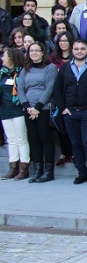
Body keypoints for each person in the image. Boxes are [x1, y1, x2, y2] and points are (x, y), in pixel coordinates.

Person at [53, 39, 87, 186]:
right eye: (76, 49)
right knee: (76, 144)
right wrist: (62, 108)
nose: (79, 51)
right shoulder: (64, 69)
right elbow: (57, 89)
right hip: (70, 113)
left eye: (82, 49)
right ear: (72, 51)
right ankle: (81, 173)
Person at [20, 43, 58, 183]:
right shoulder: (26, 69)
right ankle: (37, 171)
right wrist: (27, 106)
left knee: (45, 139)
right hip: (29, 110)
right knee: (33, 140)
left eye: (37, 50)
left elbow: (50, 88)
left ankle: (48, 172)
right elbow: (20, 89)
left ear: (43, 52)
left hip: (44, 108)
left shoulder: (50, 67)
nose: (34, 53)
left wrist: (37, 107)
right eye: (32, 51)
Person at [0, 48, 29, 179]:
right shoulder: (2, 74)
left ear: (12, 58)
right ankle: (13, 167)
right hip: (4, 110)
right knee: (11, 139)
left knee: (21, 138)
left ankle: (24, 169)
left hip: (18, 109)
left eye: (4, 56)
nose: (2, 59)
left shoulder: (22, 72)